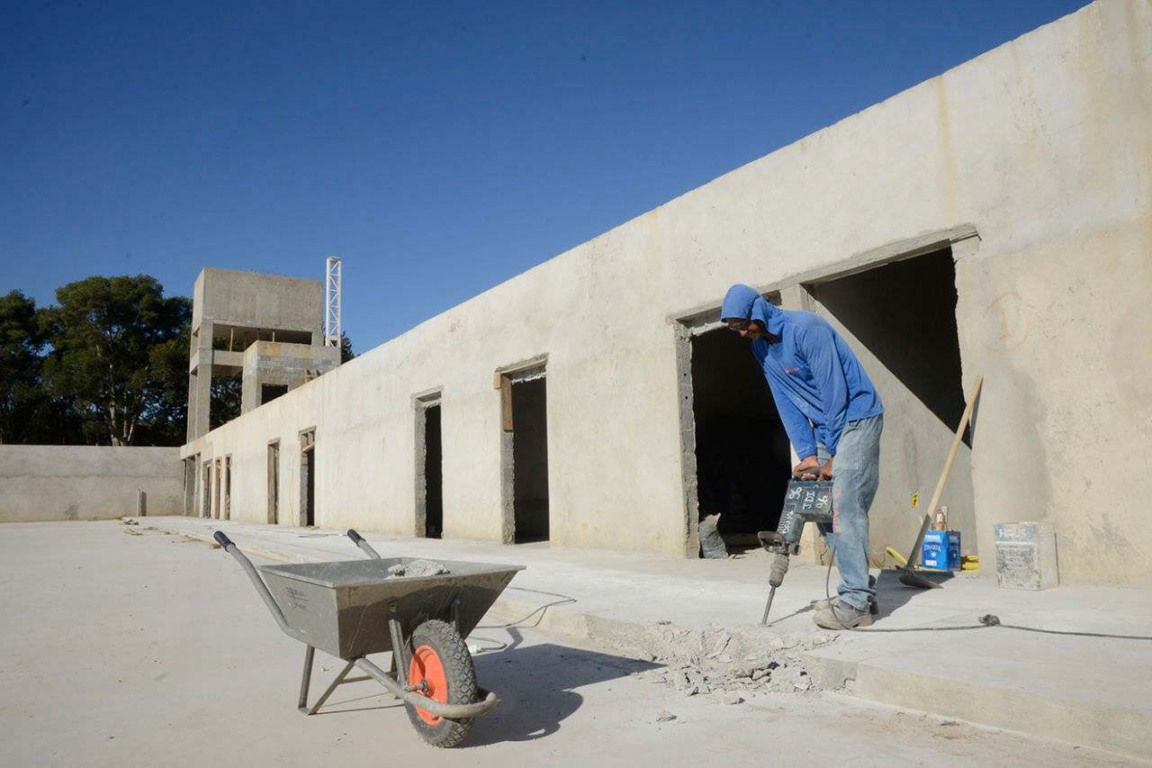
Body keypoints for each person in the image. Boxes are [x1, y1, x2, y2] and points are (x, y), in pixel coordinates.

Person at [721, 284, 884, 628]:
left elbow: (834, 390)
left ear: (758, 312)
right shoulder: (760, 348)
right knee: (821, 509)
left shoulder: (807, 329)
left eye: (743, 325)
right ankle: (859, 590)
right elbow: (785, 400)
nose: (741, 333)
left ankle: (855, 603)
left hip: (855, 417)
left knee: (843, 504)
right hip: (825, 427)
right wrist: (809, 453)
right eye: (734, 328)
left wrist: (835, 454)